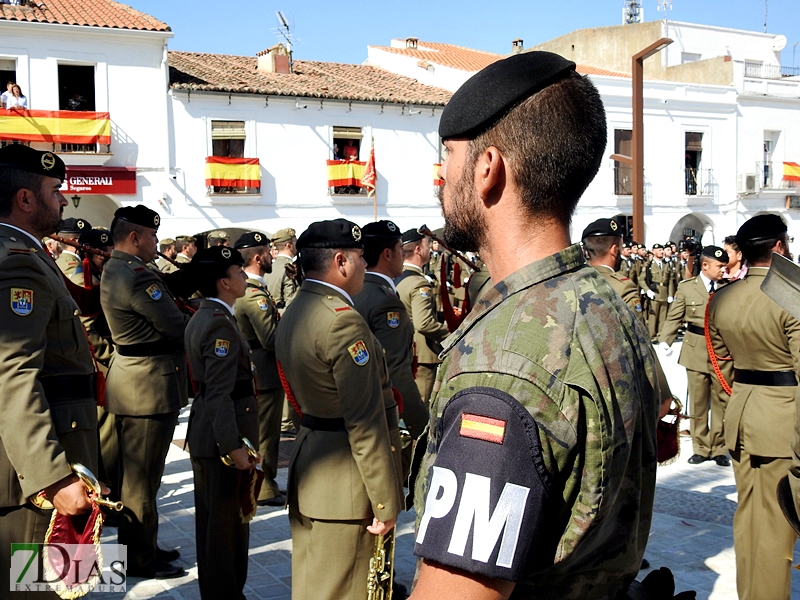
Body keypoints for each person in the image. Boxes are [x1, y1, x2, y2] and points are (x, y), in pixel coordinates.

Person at [408, 51, 666, 599]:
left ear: (487, 169)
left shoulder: (505, 359)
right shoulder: (602, 299)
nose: (439, 177)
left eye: (448, 157)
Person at [275, 219, 404, 600]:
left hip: (312, 467)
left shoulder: (298, 308)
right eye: (361, 257)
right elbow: (364, 422)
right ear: (341, 262)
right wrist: (384, 500)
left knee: (315, 586)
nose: (365, 265)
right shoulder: (343, 322)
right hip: (346, 482)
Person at [0, 145, 100, 597]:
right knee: (41, 589)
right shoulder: (17, 260)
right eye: (55, 190)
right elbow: (11, 374)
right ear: (25, 199)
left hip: (47, 455)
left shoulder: (25, 253)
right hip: (39, 474)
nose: (63, 201)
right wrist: (51, 476)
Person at [707, 214, 799, 600]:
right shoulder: (792, 296)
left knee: (749, 522)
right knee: (778, 530)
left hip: (744, 418)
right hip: (784, 425)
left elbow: (723, 362)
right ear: (779, 247)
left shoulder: (724, 296)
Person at [101, 205, 188, 579]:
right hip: (147, 383)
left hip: (138, 379)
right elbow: (173, 325)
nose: (156, 242)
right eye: (152, 236)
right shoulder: (136, 276)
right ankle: (138, 558)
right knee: (140, 479)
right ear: (135, 237)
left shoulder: (120, 267)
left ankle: (143, 544)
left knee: (144, 477)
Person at [184, 245, 260, 600]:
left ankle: (224, 590)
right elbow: (219, 393)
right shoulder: (219, 325)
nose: (244, 276)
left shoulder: (209, 316)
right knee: (222, 527)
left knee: (220, 523)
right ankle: (224, 594)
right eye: (238, 272)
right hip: (221, 441)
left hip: (209, 434)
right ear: (223, 282)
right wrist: (233, 447)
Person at [353, 220, 428, 481]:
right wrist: (421, 423)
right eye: (400, 249)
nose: (403, 255)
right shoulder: (384, 300)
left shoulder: (357, 291)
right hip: (383, 410)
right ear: (387, 254)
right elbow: (395, 368)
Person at [658, 245, 730, 467]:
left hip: (721, 352)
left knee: (720, 401)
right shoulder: (688, 288)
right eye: (719, 266)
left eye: (724, 267)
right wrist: (665, 340)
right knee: (698, 401)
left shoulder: (728, 288)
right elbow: (675, 316)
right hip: (696, 349)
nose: (723, 271)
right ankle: (700, 447)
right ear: (705, 265)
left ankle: (718, 447)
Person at [233, 231, 285, 506]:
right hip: (263, 373)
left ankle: (269, 482)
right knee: (265, 434)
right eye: (268, 251)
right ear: (257, 257)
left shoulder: (256, 290)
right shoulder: (255, 296)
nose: (271, 256)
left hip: (261, 373)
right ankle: (264, 488)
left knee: (268, 432)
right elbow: (271, 339)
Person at [70, 228, 119, 495]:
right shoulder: (84, 278)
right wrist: (112, 356)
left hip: (104, 362)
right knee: (106, 436)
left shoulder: (100, 276)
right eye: (104, 253)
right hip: (99, 364)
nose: (108, 257)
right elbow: (87, 327)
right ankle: (106, 490)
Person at [396, 228, 450, 406]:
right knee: (420, 405)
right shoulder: (419, 282)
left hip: (403, 350)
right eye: (427, 245)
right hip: (422, 354)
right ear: (418, 250)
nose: (429, 249)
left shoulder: (396, 278)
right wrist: (451, 334)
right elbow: (424, 323)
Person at [582, 217, 644, 318]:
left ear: (587, 251)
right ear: (614, 250)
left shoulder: (571, 281)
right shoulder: (624, 287)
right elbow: (637, 331)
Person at [642, 243, 674, 339]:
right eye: (659, 250)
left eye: (662, 250)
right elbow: (641, 279)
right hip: (654, 292)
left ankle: (661, 335)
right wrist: (647, 290)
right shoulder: (649, 265)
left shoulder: (666, 264)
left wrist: (670, 294)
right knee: (653, 316)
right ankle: (652, 335)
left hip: (664, 292)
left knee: (663, 316)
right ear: (654, 251)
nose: (661, 251)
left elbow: (670, 281)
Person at [266, 227, 300, 311]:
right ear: (289, 245)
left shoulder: (269, 266)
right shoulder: (290, 267)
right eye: (296, 243)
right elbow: (291, 301)